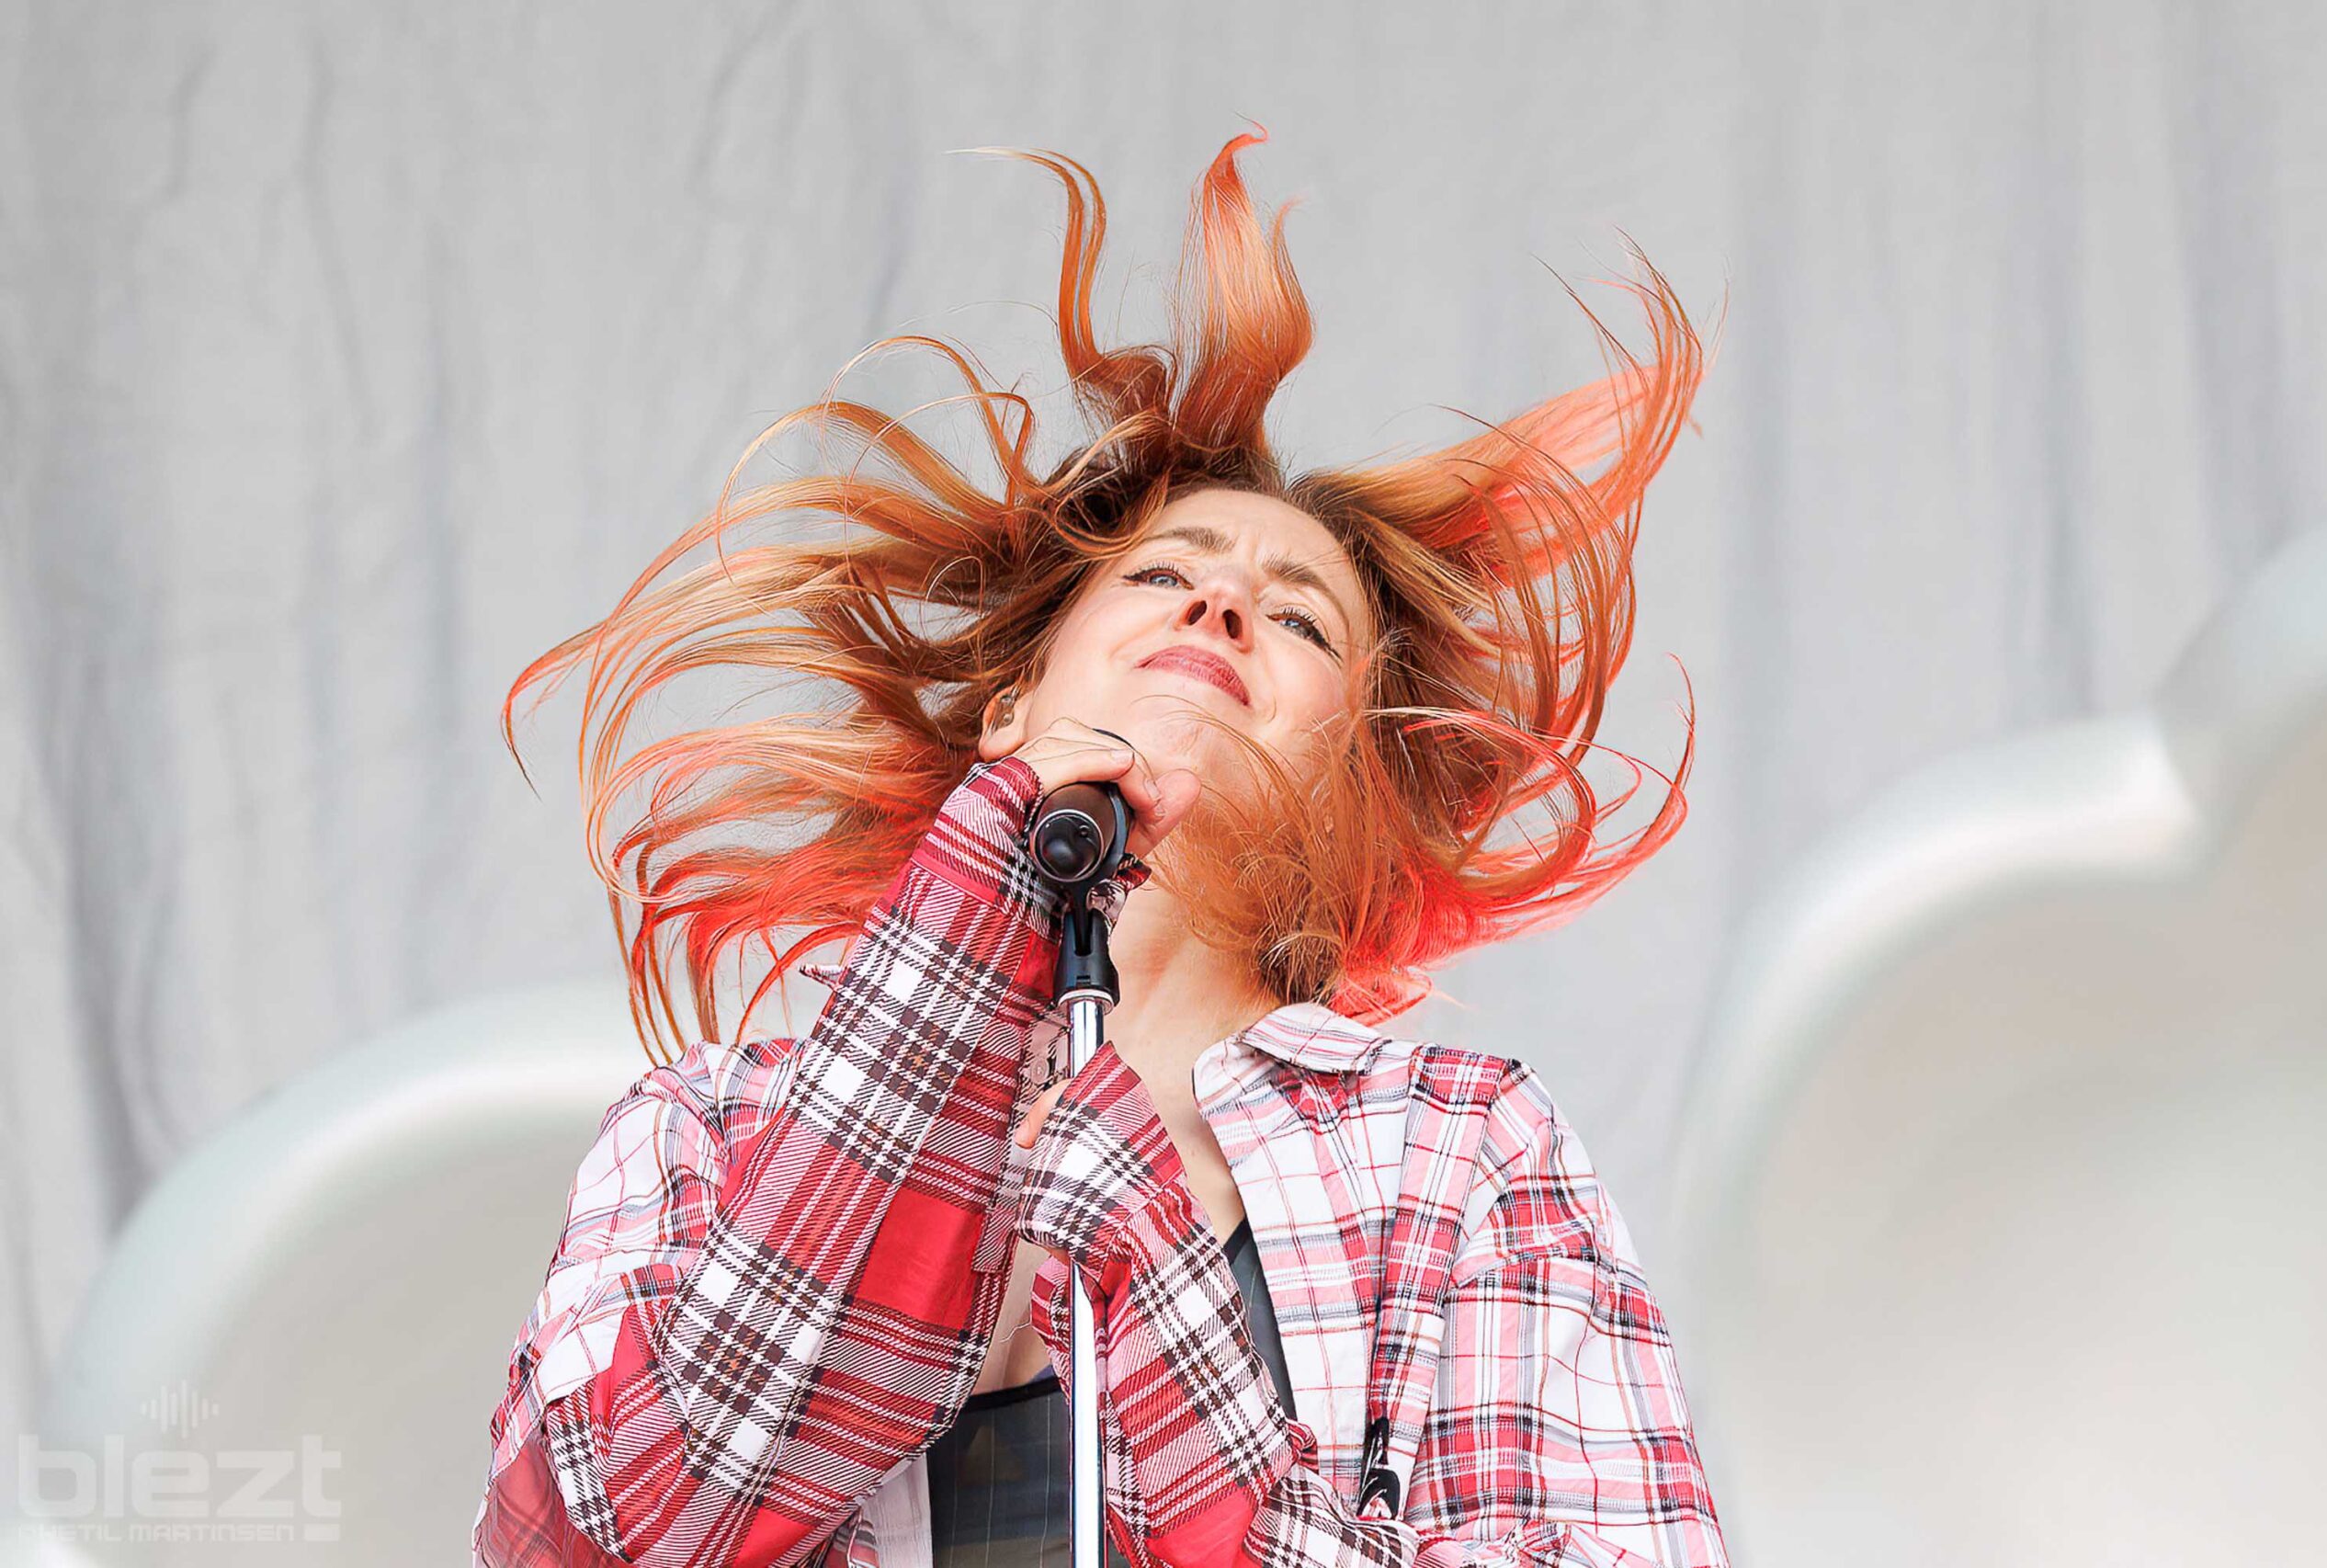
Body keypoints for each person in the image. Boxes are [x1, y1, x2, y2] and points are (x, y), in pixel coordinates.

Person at [472, 124, 1728, 1568]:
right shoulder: (713, 1128)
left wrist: (1162, 1295)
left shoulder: (1459, 1146)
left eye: (1300, 617)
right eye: (1163, 576)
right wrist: (944, 993)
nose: (1221, 611)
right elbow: (595, 1537)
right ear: (1012, 706)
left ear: (1355, 806)